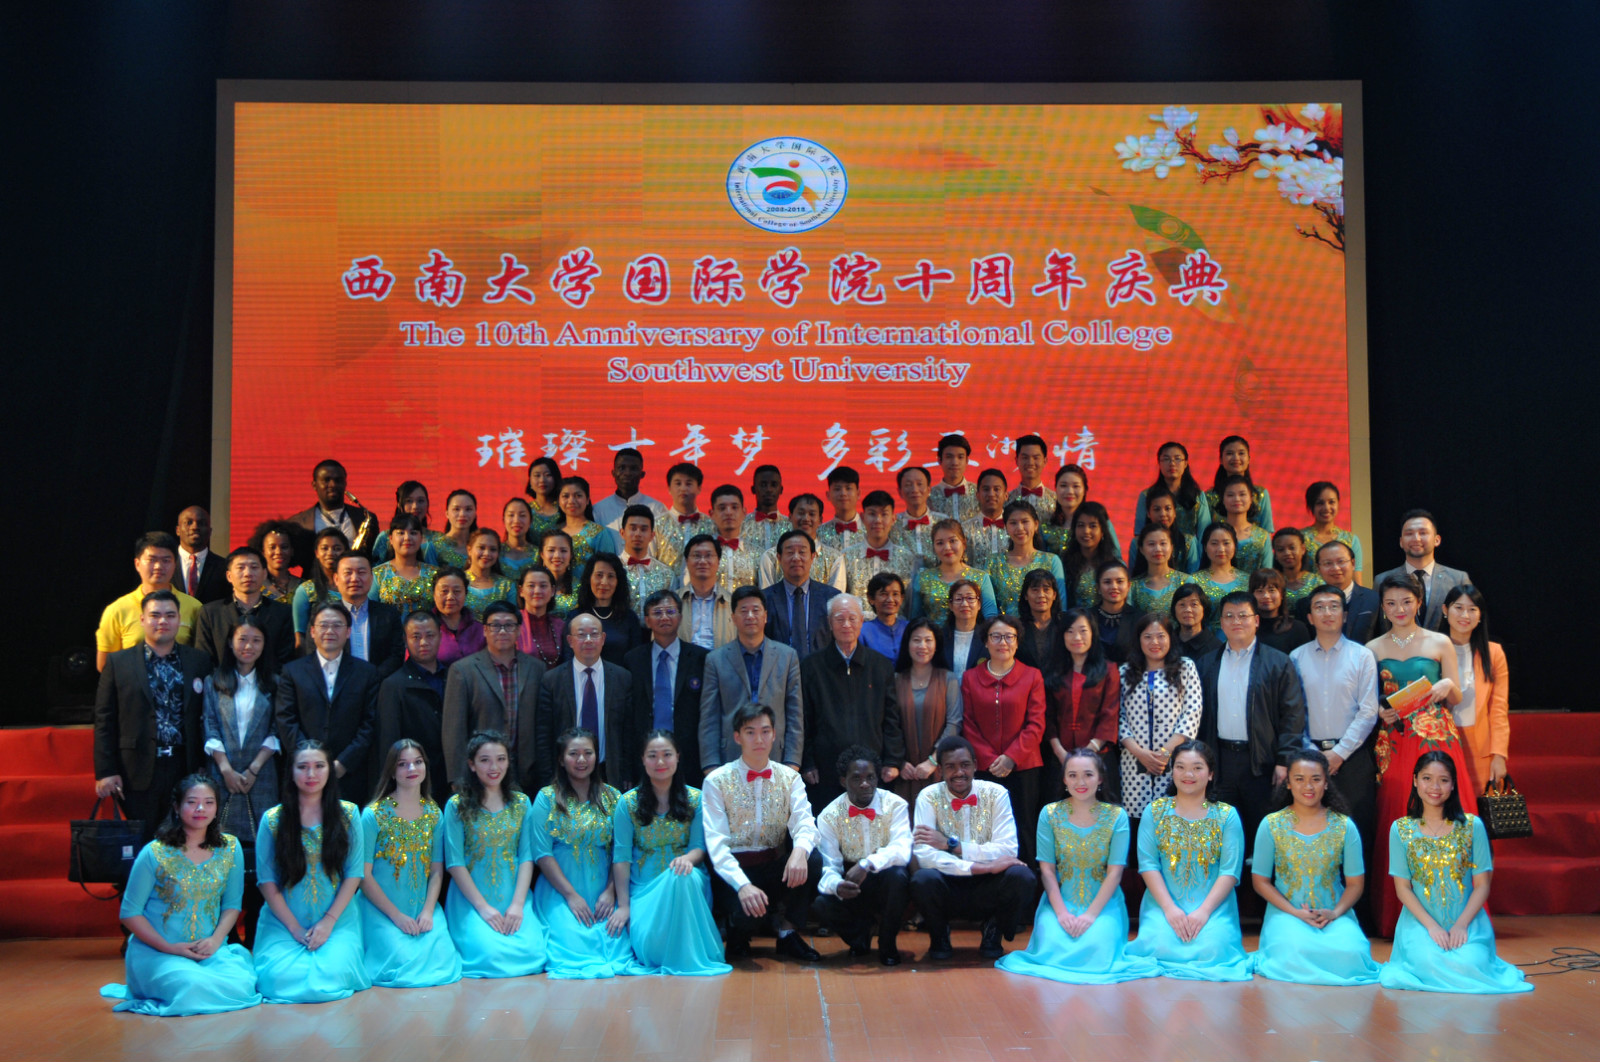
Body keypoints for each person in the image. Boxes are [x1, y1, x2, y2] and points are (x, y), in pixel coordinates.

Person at [98, 774, 261, 1015]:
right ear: (176, 807)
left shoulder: (230, 848)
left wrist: (215, 941)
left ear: (217, 807)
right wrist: (171, 948)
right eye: (192, 802)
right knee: (190, 986)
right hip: (158, 953)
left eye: (208, 802)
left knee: (243, 984)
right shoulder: (154, 852)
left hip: (208, 951)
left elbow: (232, 905)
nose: (200, 809)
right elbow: (130, 913)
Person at [1369, 572, 1475, 936]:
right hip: (1395, 739)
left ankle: (1453, 912)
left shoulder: (1440, 641)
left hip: (1435, 736)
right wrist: (1380, 711)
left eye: (1406, 602)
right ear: (1383, 607)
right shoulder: (1373, 648)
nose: (1399, 609)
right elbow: (1369, 701)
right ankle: (1396, 915)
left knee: (1443, 807)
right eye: (1390, 603)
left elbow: (1456, 695)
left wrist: (1446, 684)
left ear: (1419, 603)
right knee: (1398, 809)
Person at [996, 749, 1159, 984]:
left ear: (1100, 778)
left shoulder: (1117, 816)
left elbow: (1114, 874)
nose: (1080, 782)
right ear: (1064, 779)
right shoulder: (1049, 814)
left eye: (1088, 775)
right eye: (1072, 775)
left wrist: (1090, 916)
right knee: (1053, 943)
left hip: (1104, 904)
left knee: (1097, 945)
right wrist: (1062, 914)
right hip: (1060, 902)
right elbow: (1047, 871)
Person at [1379, 752, 1532, 994]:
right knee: (1427, 962)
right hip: (1420, 923)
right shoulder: (1400, 829)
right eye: (1427, 778)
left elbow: (1482, 885)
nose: (1435, 787)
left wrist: (1461, 925)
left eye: (1443, 780)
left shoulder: (1472, 826)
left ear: (1453, 784)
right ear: (1415, 781)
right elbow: (1403, 889)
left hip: (1467, 921)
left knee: (1469, 965)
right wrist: (1432, 927)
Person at [1194, 591, 1308, 885]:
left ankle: (1265, 903)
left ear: (1256, 620)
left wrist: (1284, 760)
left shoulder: (1277, 662)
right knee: (1224, 838)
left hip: (1263, 763)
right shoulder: (1206, 664)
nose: (1236, 622)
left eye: (1243, 615)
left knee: (1264, 837)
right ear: (1220, 623)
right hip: (1220, 762)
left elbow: (1292, 715)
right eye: (1229, 616)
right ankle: (1227, 901)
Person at [702, 704, 823, 962]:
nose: (759, 739)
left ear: (774, 735)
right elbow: (716, 846)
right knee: (744, 915)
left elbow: (805, 823)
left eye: (765, 731)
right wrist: (743, 885)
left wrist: (799, 851)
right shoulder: (717, 781)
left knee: (812, 859)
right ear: (737, 737)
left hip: (770, 865)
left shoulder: (789, 778)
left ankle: (787, 933)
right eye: (750, 732)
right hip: (732, 871)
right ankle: (737, 932)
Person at [253, 741, 370, 1003]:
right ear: (291, 771)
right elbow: (267, 882)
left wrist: (328, 921)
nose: (311, 774)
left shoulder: (348, 814)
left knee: (332, 975)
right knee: (279, 979)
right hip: (283, 922)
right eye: (303, 767)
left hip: (338, 920)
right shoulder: (272, 819)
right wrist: (294, 928)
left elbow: (354, 874)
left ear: (330, 770)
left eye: (319, 766)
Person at [1250, 749, 1379, 985]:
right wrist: (1294, 912)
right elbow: (1260, 881)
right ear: (1288, 783)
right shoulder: (1271, 825)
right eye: (1299, 779)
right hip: (1287, 914)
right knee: (1294, 951)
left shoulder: (1344, 826)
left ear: (1326, 783)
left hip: (1333, 914)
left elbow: (1355, 884)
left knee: (1353, 954)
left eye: (1316, 779)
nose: (1308, 787)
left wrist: (1335, 913)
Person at [94, 590, 213, 847]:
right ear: (142, 619)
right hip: (136, 767)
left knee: (184, 839)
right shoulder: (118, 662)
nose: (162, 621)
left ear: (179, 620)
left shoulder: (199, 661)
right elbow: (105, 719)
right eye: (155, 615)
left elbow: (207, 715)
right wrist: (106, 771)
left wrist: (204, 762)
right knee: (143, 841)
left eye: (170, 615)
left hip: (185, 765)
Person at [1126, 741, 1251, 980]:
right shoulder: (1155, 811)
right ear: (1172, 771)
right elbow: (1148, 865)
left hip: (1213, 908)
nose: (1188, 774)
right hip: (1164, 905)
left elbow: (1230, 871)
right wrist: (1170, 909)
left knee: (1213, 949)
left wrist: (1203, 912)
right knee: (1159, 945)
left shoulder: (1227, 815)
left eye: (1197, 768)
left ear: (1211, 773)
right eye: (1181, 767)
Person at [610, 731, 730, 976]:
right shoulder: (627, 803)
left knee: (682, 877)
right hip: (644, 886)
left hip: (687, 879)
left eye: (667, 755)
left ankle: (691, 957)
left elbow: (699, 847)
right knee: (649, 946)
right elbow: (621, 858)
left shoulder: (696, 799)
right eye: (652, 756)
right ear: (643, 760)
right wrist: (623, 906)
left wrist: (687, 859)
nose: (660, 762)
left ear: (678, 757)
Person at [1290, 585, 1381, 909]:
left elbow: (1368, 711)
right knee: (1313, 833)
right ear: (1310, 617)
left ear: (1345, 615)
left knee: (1357, 833)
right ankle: (1312, 906)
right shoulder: (1296, 658)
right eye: (1320, 607)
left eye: (1334, 606)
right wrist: (1313, 754)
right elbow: (1293, 712)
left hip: (1353, 758)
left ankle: (1357, 912)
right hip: (1309, 759)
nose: (1327, 613)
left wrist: (1339, 753)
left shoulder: (1362, 656)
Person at [909, 735, 1036, 960]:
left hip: (988, 887)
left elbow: (1008, 850)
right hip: (948, 883)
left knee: (1022, 876)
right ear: (940, 771)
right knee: (923, 879)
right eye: (951, 767)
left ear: (975, 766)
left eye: (965, 765)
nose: (959, 772)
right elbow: (924, 856)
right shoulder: (927, 797)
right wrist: (982, 866)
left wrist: (952, 845)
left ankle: (993, 931)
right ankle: (939, 935)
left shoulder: (996, 793)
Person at [530, 728, 634, 978]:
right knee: (571, 947)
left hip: (603, 888)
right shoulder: (546, 798)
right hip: (560, 889)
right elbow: (542, 853)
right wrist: (571, 895)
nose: (581, 760)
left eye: (588, 753)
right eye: (573, 754)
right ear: (561, 759)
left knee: (617, 947)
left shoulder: (613, 797)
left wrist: (611, 892)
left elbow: (621, 851)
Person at [358, 740, 463, 988]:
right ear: (392, 772)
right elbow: (363, 875)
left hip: (422, 910)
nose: (411, 769)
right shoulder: (373, 814)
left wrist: (428, 911)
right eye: (402, 764)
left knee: (442, 960)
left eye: (417, 762)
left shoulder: (434, 814)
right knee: (401, 962)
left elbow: (436, 871)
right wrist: (396, 916)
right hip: (381, 911)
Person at [443, 730, 546, 977]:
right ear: (471, 764)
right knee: (489, 954)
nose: (494, 767)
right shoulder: (457, 805)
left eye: (501, 759)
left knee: (534, 953)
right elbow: (455, 863)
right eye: (485, 760)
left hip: (513, 895)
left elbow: (527, 857)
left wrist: (518, 905)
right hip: (472, 900)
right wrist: (483, 908)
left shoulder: (521, 803)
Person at [800, 595, 905, 808]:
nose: (846, 624)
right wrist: (807, 762)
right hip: (825, 771)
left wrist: (892, 760)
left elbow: (891, 718)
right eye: (840, 619)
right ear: (830, 623)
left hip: (872, 769)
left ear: (862, 622)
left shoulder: (880, 666)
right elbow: (804, 719)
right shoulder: (811, 666)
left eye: (852, 618)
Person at [813, 746, 913, 965]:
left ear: (877, 778)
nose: (865, 783)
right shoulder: (828, 816)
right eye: (856, 778)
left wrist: (867, 864)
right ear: (843, 781)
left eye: (870, 777)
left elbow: (902, 849)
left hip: (885, 881)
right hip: (852, 885)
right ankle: (859, 936)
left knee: (898, 876)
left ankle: (887, 942)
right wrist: (837, 885)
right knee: (821, 902)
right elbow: (829, 867)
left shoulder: (895, 805)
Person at [274, 600, 381, 802]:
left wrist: (343, 763)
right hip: (303, 774)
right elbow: (286, 719)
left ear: (348, 632)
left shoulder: (366, 673)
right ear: (312, 631)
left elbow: (370, 722)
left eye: (337, 625)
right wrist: (309, 762)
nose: (330, 631)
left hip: (350, 773)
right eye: (323, 625)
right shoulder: (293, 671)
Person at [961, 615, 1047, 862]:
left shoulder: (1032, 676)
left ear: (1017, 642)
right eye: (996, 637)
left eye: (1009, 637)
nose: (1003, 642)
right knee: (985, 827)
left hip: (1024, 766)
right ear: (986, 642)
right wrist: (990, 759)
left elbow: (1036, 723)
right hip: (985, 767)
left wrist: (1011, 757)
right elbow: (968, 724)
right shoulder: (970, 677)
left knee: (1024, 825)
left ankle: (1027, 876)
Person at [202, 619, 279, 879]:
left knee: (262, 853)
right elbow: (210, 726)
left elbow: (276, 730)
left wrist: (254, 769)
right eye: (242, 639)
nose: (249, 646)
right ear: (230, 643)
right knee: (220, 849)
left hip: (262, 776)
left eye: (256, 640)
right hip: (222, 776)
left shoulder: (275, 683)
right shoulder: (214, 681)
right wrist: (226, 770)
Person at [441, 601, 545, 793]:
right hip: (480, 774)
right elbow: (454, 731)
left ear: (519, 630)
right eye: (495, 625)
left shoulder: (536, 668)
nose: (502, 631)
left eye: (509, 625)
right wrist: (458, 778)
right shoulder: (463, 670)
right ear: (485, 630)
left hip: (527, 773)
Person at [700, 585, 804, 773]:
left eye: (756, 610)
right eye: (743, 611)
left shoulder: (787, 656)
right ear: (733, 618)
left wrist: (792, 762)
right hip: (729, 757)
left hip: (777, 757)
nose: (750, 616)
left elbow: (795, 713)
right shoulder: (715, 660)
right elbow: (709, 717)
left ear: (765, 616)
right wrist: (711, 766)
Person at [1118, 613, 1203, 830]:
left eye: (1160, 636)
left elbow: (1192, 712)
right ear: (1138, 640)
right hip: (1134, 762)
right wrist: (1139, 753)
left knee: (1172, 820)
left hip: (1174, 760)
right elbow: (1118, 717)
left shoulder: (1185, 667)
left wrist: (1166, 752)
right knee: (1137, 825)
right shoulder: (1125, 672)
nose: (1154, 642)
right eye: (1147, 637)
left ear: (1170, 638)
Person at [534, 613, 633, 789]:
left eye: (594, 634)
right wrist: (548, 778)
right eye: (581, 635)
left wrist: (627, 773)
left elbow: (628, 732)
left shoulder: (622, 678)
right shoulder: (552, 680)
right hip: (565, 773)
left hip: (609, 771)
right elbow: (544, 734)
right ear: (570, 641)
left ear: (603, 639)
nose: (588, 640)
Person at [624, 591, 709, 787]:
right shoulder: (633, 660)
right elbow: (628, 716)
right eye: (657, 613)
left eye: (670, 611)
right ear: (647, 620)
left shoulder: (700, 658)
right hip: (646, 754)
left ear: (680, 617)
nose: (664, 617)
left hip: (689, 755)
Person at [1043, 609, 1120, 806]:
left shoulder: (1108, 670)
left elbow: (1110, 714)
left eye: (1083, 631)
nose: (1077, 637)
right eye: (1070, 631)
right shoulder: (1053, 671)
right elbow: (1048, 716)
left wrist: (1088, 753)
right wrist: (1061, 753)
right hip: (1060, 758)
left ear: (1093, 633)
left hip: (1099, 756)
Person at [96, 532, 203, 670]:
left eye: (166, 560)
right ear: (137, 564)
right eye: (152, 560)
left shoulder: (194, 607)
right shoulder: (117, 610)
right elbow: (104, 666)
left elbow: (200, 659)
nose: (158, 566)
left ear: (175, 564)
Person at [1441, 585, 1511, 792]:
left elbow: (1498, 709)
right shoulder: (1431, 650)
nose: (1465, 615)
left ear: (1480, 615)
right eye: (1458, 607)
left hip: (1480, 748)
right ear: (1445, 610)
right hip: (1441, 744)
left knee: (1479, 807)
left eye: (1472, 609)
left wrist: (1499, 755)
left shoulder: (1494, 653)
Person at [375, 611, 451, 798]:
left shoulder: (454, 676)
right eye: (416, 637)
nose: (424, 642)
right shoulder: (393, 685)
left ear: (440, 636)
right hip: (412, 779)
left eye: (430, 635)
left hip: (451, 778)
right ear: (405, 640)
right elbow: (388, 743)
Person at [892, 619, 963, 803]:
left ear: (936, 644)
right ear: (907, 644)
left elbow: (954, 723)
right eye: (916, 640)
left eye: (928, 640)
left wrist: (933, 761)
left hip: (940, 769)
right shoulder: (895, 680)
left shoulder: (949, 679)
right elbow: (889, 724)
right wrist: (899, 762)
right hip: (904, 772)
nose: (922, 646)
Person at [195, 545, 296, 670]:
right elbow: (204, 659)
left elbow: (286, 660)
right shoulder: (210, 613)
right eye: (240, 568)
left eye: (254, 567)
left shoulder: (283, 613)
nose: (248, 573)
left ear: (264, 574)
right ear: (229, 576)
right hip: (221, 681)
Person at [1378, 509, 1474, 631]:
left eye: (1423, 533)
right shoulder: (1382, 580)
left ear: (1437, 540)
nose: (1416, 538)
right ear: (1401, 542)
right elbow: (1381, 626)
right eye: (1409, 534)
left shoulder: (1458, 579)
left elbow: (1470, 620)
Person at [763, 529, 841, 658]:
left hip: (821, 668)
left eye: (802, 552)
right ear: (779, 558)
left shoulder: (831, 597)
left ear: (812, 557)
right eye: (790, 552)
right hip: (779, 667)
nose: (796, 558)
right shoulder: (765, 598)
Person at [331, 552, 406, 679]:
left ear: (371, 578)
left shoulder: (389, 614)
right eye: (348, 573)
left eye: (361, 572)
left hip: (379, 685)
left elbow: (396, 655)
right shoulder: (325, 615)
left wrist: (372, 679)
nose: (355, 579)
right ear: (336, 579)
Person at [911, 519, 999, 625]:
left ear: (964, 543)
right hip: (932, 635)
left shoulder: (981, 578)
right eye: (940, 543)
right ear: (934, 548)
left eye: (952, 541)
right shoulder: (923, 579)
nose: (947, 547)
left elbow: (991, 619)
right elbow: (915, 620)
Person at [986, 500, 1066, 616]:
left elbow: (1061, 606)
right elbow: (989, 610)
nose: (1019, 528)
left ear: (1036, 525)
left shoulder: (1052, 561)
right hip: (1004, 627)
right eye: (1013, 523)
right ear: (1005, 527)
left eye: (1025, 522)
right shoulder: (994, 563)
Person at [845, 490, 920, 611]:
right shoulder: (846, 556)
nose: (878, 520)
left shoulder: (908, 559)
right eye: (872, 514)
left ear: (893, 518)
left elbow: (911, 605)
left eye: (884, 514)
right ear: (862, 518)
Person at [287, 459, 375, 562]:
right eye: (326, 480)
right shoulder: (299, 522)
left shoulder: (365, 517)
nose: (333, 485)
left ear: (345, 483)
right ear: (314, 485)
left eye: (338, 480)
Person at [758, 492, 848, 590]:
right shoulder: (771, 557)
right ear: (790, 517)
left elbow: (836, 598)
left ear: (820, 520)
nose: (806, 518)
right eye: (801, 513)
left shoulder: (835, 558)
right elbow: (767, 596)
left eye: (812, 514)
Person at [1296, 539, 1380, 642]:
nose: (1336, 568)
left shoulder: (1375, 599)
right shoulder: (1305, 605)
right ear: (1318, 568)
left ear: (1353, 563)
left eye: (1341, 561)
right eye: (1328, 563)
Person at [1132, 442, 1212, 544]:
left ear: (1185, 463)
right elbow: (1139, 533)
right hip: (1156, 550)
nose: (1172, 463)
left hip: (1190, 551)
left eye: (1177, 459)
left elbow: (1205, 534)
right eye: (1166, 459)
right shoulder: (1146, 495)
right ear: (1159, 463)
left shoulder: (1197, 495)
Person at [576, 553, 644, 666]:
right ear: (589, 578)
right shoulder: (576, 617)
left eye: (611, 576)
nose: (604, 582)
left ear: (618, 581)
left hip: (622, 676)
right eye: (599, 575)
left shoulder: (629, 618)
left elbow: (636, 661)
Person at [1042, 463, 1121, 560]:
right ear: (1056, 489)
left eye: (1076, 486)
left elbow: (1116, 557)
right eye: (1063, 486)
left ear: (1084, 490)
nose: (1069, 491)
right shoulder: (1046, 526)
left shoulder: (1100, 520)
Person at [370, 514, 439, 621]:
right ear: (391, 539)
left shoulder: (435, 574)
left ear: (421, 538)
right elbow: (370, 611)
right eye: (401, 533)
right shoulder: (378, 574)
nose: (407, 538)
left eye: (413, 533)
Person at [290, 528, 348, 650]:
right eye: (325, 548)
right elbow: (300, 638)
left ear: (345, 551)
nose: (330, 553)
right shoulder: (305, 591)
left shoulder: (354, 587)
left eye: (337, 548)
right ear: (316, 553)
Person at [1204, 436, 1275, 532]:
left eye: (1241, 453)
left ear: (1249, 459)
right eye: (1229, 453)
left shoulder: (1260, 494)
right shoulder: (1209, 496)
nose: (1236, 458)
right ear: (1221, 460)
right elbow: (1205, 533)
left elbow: (1266, 531)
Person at [677, 535, 735, 649]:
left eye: (709, 555)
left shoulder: (733, 603)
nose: (702, 561)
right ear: (687, 561)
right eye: (696, 556)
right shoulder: (674, 601)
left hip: (721, 659)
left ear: (718, 561)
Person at [1300, 481, 1365, 583]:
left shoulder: (1351, 539)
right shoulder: (1300, 539)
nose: (1326, 508)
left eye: (1331, 502)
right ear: (1311, 506)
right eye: (1320, 503)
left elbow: (1357, 582)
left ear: (1338, 504)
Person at [702, 484, 761, 595]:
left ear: (744, 512)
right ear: (711, 514)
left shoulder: (757, 553)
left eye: (734, 507)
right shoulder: (702, 553)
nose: (729, 512)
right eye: (722, 508)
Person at [617, 504, 674, 617]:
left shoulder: (666, 574)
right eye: (633, 528)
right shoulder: (612, 570)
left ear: (652, 535)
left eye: (643, 529)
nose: (638, 534)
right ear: (622, 533)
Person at [651, 462, 711, 569]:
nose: (683, 488)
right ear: (669, 488)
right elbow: (650, 562)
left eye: (688, 484)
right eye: (678, 484)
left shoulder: (710, 525)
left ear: (699, 488)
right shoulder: (656, 525)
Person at [1129, 524, 1197, 618]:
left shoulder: (1186, 581)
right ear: (1141, 549)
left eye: (1163, 543)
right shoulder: (1133, 587)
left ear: (1171, 547)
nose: (1158, 549)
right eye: (1151, 544)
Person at [370, 480, 443, 565]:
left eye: (420, 501)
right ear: (399, 505)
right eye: (409, 501)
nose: (415, 506)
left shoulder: (439, 539)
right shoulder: (384, 538)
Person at [592, 446, 665, 530]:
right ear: (613, 473)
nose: (627, 473)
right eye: (622, 468)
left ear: (642, 474)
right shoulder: (598, 510)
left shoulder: (657, 509)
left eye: (633, 468)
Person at [1131, 484, 1200, 574]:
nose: (1163, 514)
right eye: (1157, 509)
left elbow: (1194, 576)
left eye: (1167, 509)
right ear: (1148, 513)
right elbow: (1132, 575)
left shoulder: (1189, 541)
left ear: (1175, 512)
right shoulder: (1137, 543)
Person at [1192, 524, 1249, 629]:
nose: (1221, 549)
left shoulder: (1248, 580)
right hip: (1207, 637)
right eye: (1214, 543)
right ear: (1205, 547)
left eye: (1226, 543)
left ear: (1235, 546)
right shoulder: (1194, 581)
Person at [1062, 502, 1119, 608]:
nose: (1086, 531)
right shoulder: (1064, 563)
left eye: (1093, 526)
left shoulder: (1114, 566)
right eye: (1081, 525)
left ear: (1102, 531)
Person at [891, 466, 948, 563]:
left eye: (919, 484)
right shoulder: (892, 524)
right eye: (908, 485)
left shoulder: (944, 522)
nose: (914, 489)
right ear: (900, 492)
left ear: (929, 490)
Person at [1216, 475, 1271, 574]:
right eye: (1230, 495)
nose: (1237, 499)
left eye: (1242, 494)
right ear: (1223, 500)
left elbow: (1268, 573)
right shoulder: (1214, 533)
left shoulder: (1263, 536)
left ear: (1251, 499)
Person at [1015, 568, 1064, 677]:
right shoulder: (1016, 628)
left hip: (1060, 685)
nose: (1041, 595)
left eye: (1046, 589)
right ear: (1026, 595)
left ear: (1054, 595)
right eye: (1035, 590)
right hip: (1027, 684)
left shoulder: (1065, 625)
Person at [515, 565, 567, 667]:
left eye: (543, 586)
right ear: (521, 591)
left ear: (552, 591)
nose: (537, 591)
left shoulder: (560, 625)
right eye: (531, 586)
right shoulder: (513, 623)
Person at [175, 506, 229, 604]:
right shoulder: (165, 564)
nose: (195, 527)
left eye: (201, 523)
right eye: (189, 522)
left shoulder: (224, 567)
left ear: (210, 531)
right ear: (178, 530)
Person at [431, 568, 486, 666]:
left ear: (465, 594)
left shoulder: (479, 630)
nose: (450, 597)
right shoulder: (425, 628)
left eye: (457, 591)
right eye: (444, 591)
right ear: (434, 595)